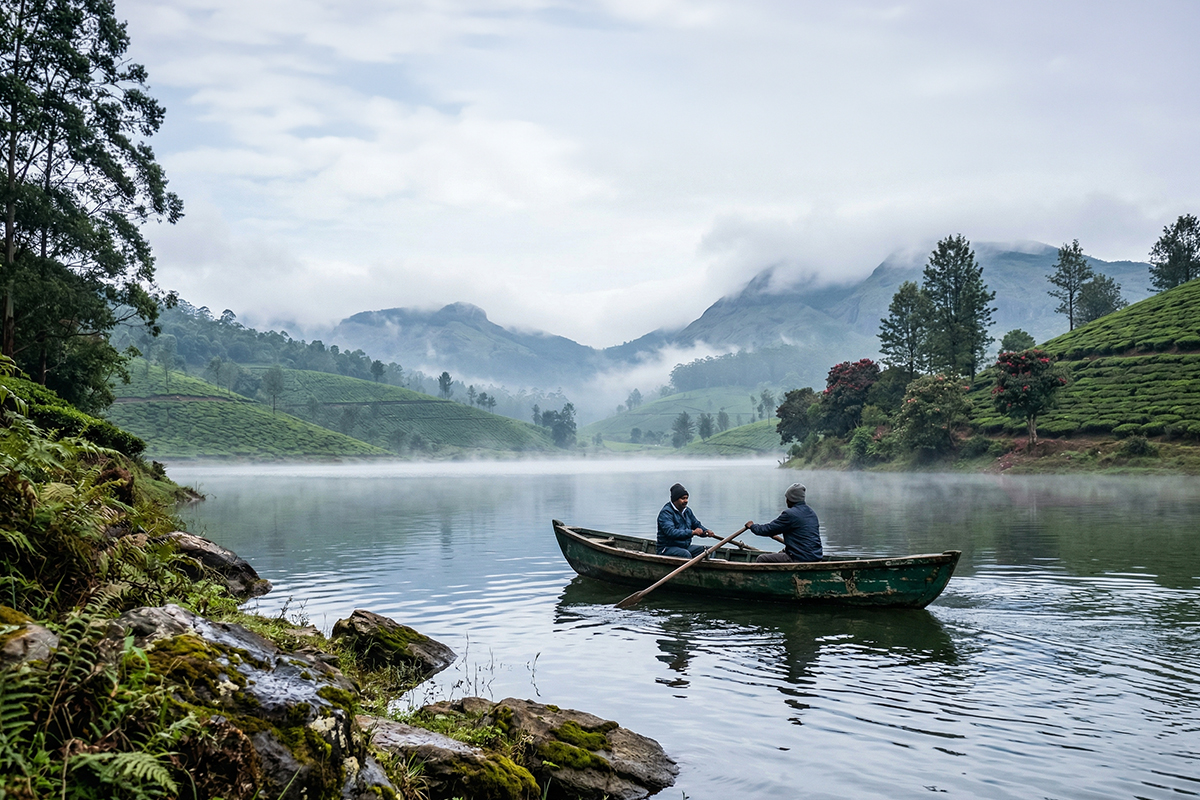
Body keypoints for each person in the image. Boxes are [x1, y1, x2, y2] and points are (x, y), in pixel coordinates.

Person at [743, 483, 822, 563]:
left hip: (799, 558)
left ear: (791, 499)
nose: (786, 501)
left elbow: (767, 530)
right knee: (782, 553)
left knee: (761, 559)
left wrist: (752, 526)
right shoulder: (812, 513)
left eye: (787, 498)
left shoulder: (790, 514)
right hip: (815, 557)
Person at [657, 483, 716, 558]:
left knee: (710, 550)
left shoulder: (687, 511)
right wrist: (692, 532)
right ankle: (689, 570)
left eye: (687, 498)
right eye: (683, 498)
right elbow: (671, 532)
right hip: (667, 549)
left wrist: (706, 531)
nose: (686, 501)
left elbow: (696, 525)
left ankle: (707, 569)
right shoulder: (666, 513)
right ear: (675, 499)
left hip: (684, 547)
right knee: (685, 554)